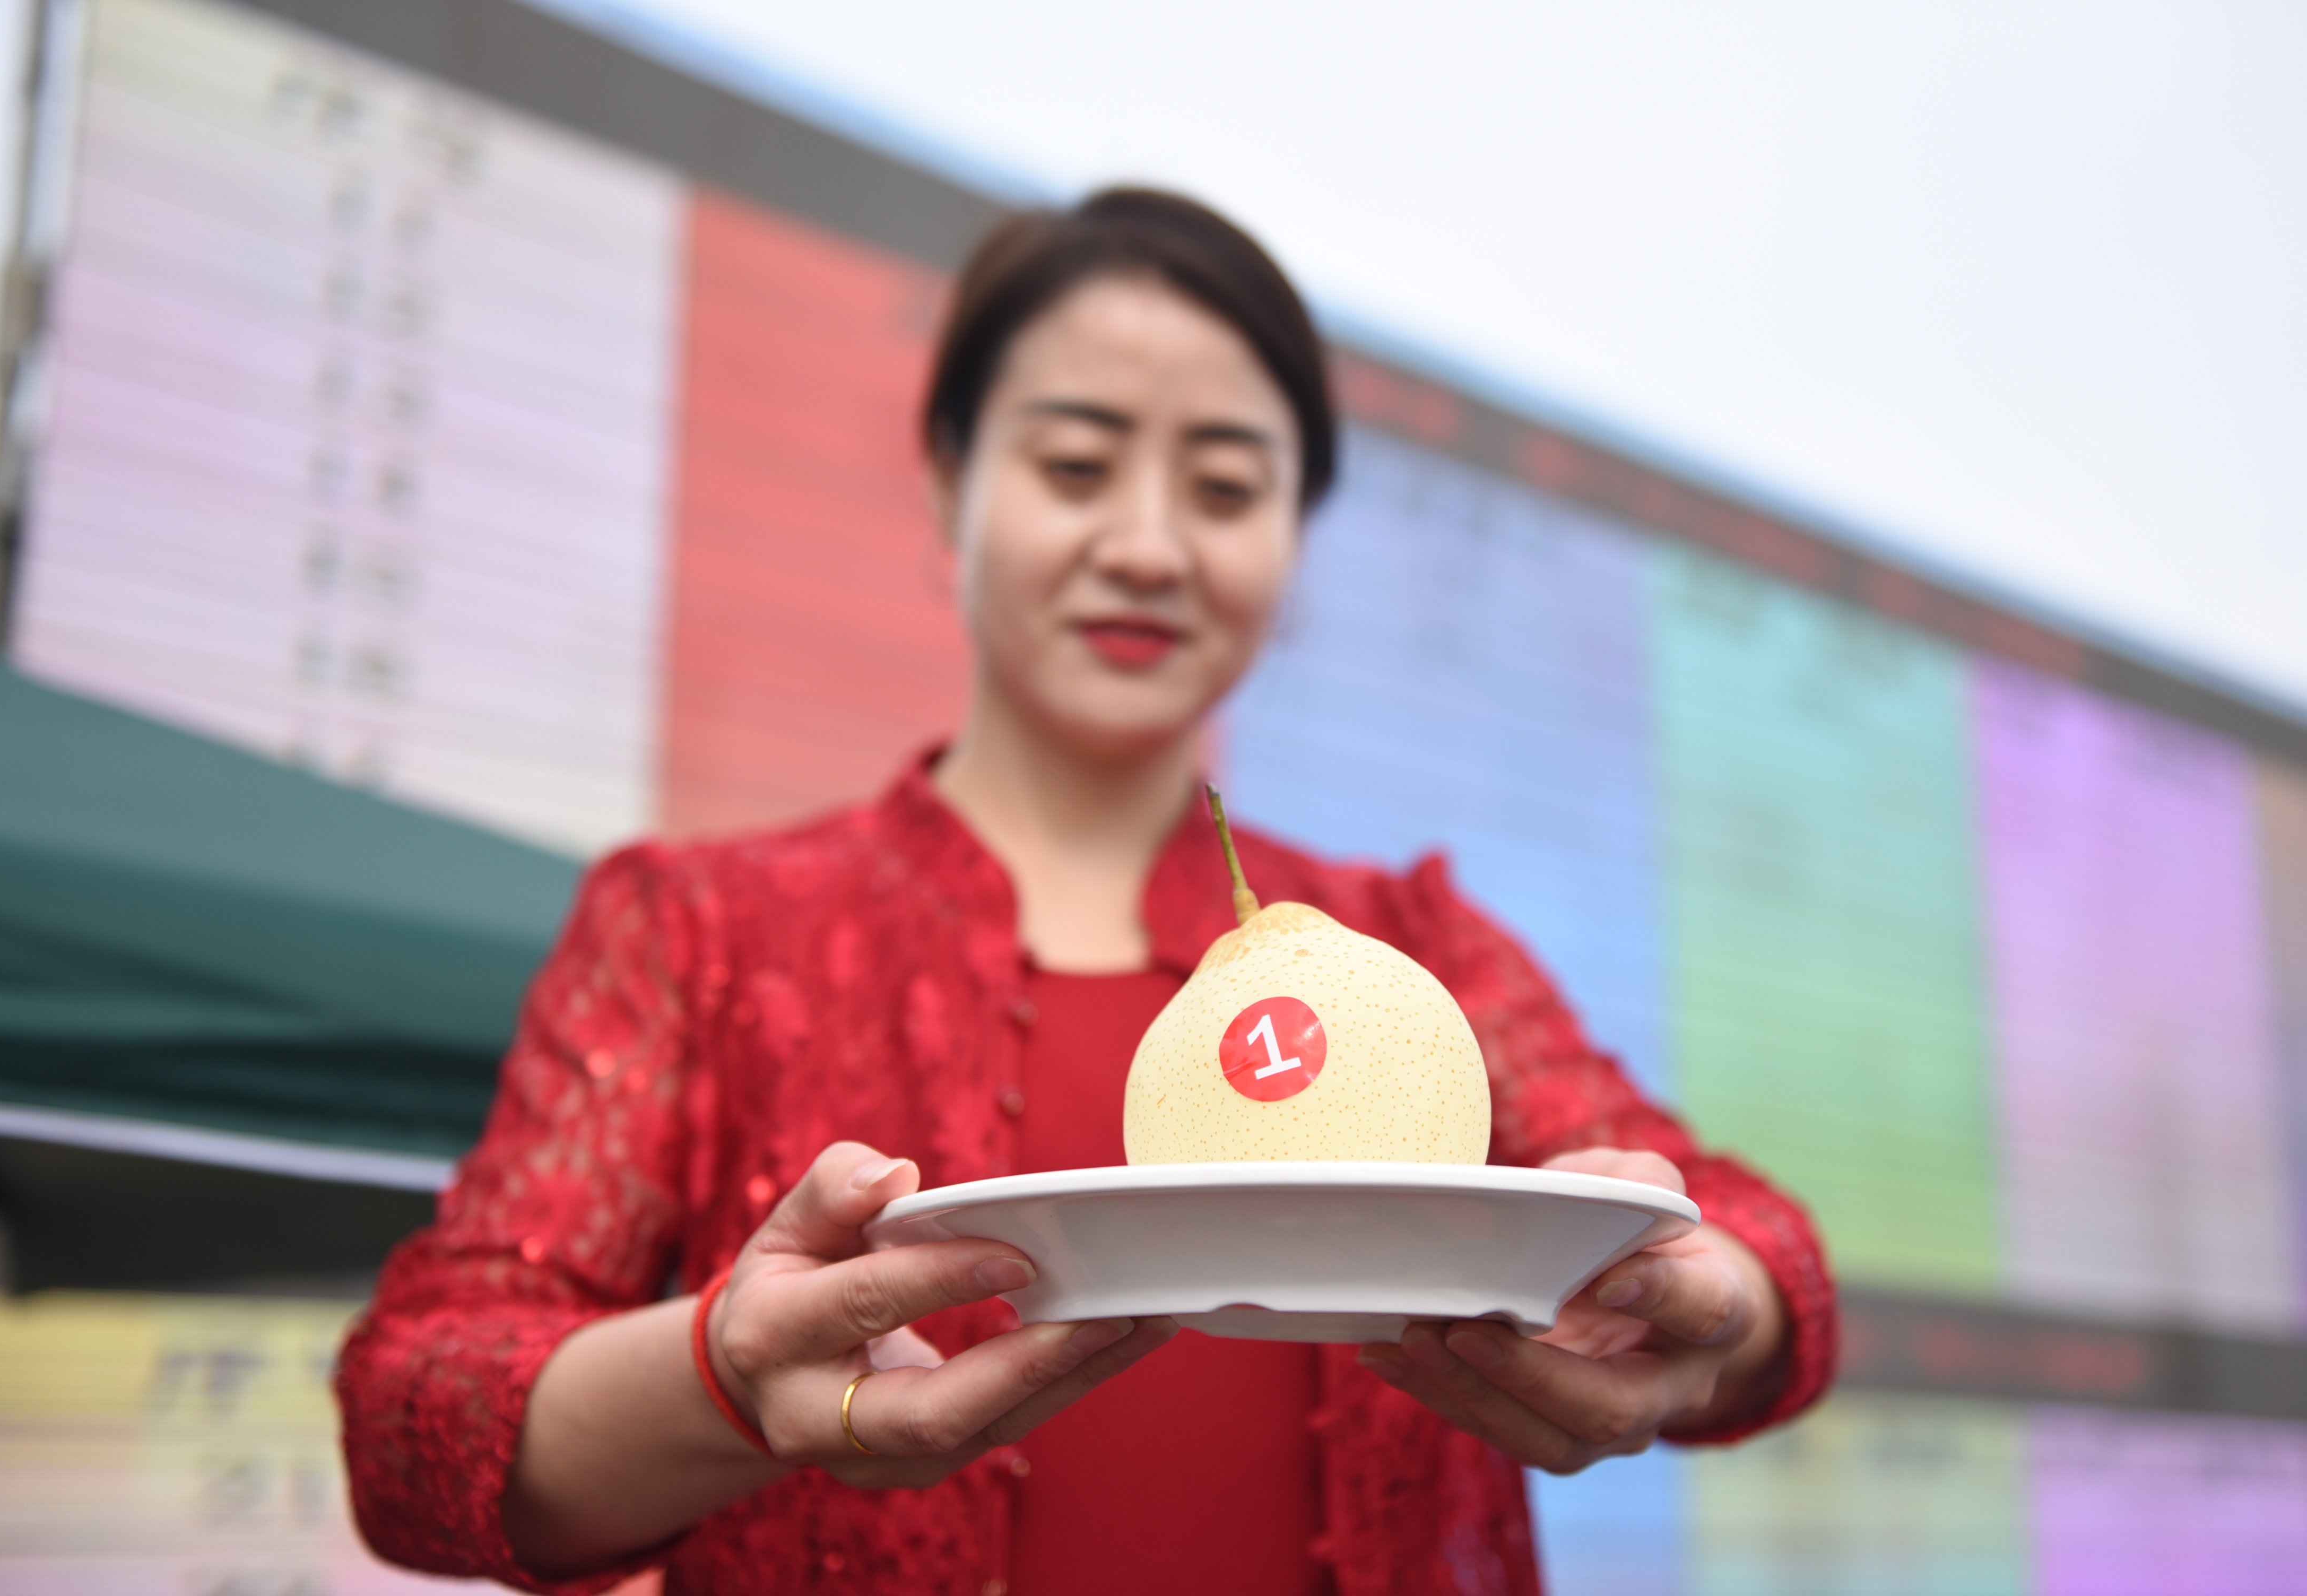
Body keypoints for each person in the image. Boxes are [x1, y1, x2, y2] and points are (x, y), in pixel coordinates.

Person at [338, 188, 1835, 1596]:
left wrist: (1707, 1308)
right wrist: (723, 1380)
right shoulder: (692, 928)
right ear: (949, 487)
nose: (1147, 547)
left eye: (1226, 488)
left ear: (1293, 539)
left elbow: (1751, 1247)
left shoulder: (1415, 942)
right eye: (1074, 466)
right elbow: (415, 1413)